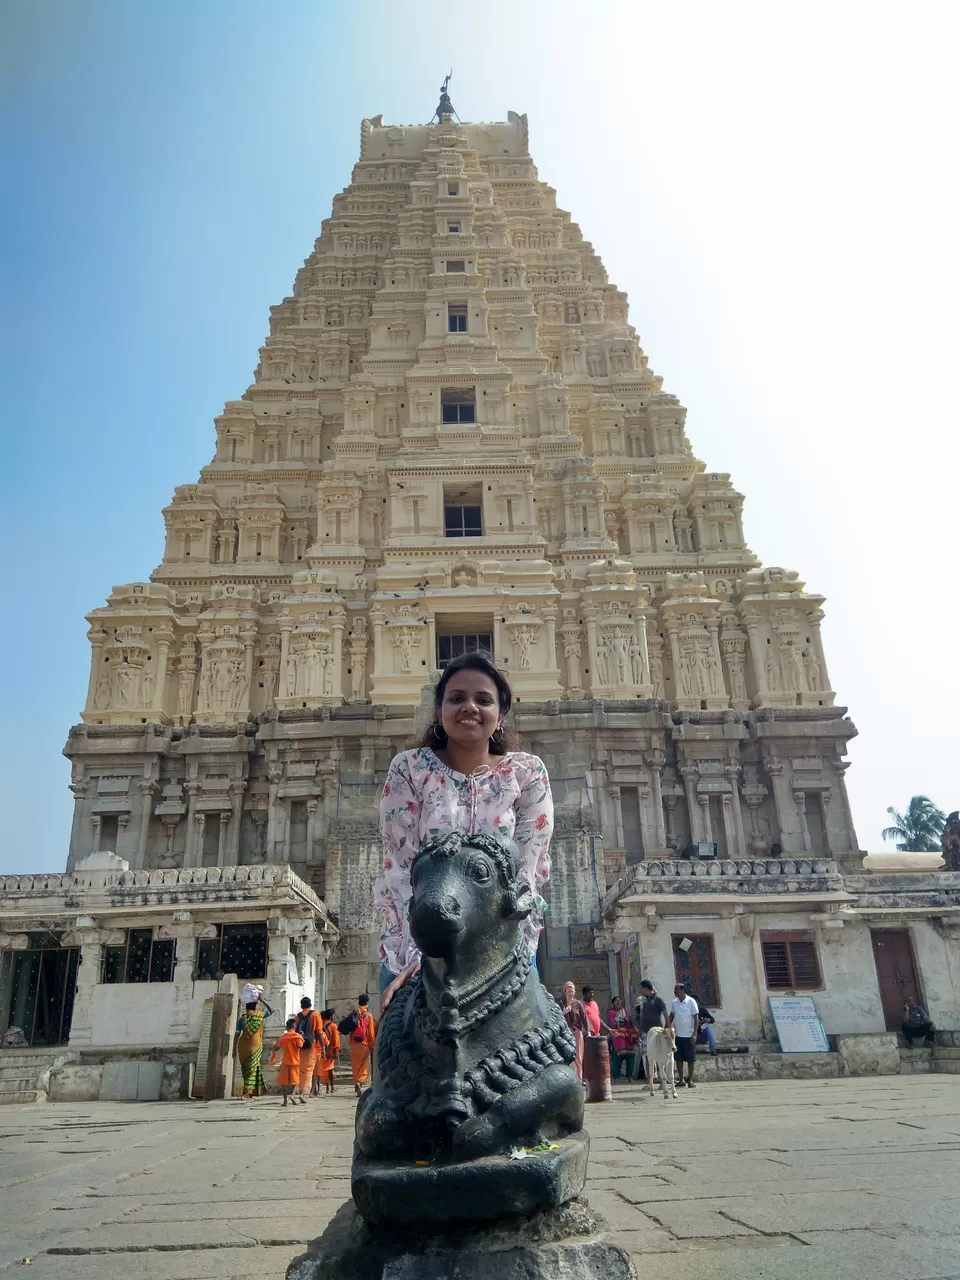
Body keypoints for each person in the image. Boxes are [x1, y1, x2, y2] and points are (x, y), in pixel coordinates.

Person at [375, 652, 554, 1011]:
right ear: (440, 710)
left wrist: (510, 954)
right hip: (414, 949)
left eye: (483, 700)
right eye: (456, 698)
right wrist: (417, 953)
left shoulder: (527, 774)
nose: (469, 707)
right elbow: (399, 867)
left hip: (504, 950)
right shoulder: (409, 769)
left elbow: (527, 875)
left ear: (500, 715)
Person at [234, 993, 273, 1098]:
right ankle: (247, 1092)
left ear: (246, 1008)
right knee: (253, 1068)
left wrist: (234, 1048)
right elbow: (271, 1011)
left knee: (246, 1069)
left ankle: (252, 1091)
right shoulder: (260, 1016)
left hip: (243, 1047)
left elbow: (237, 1034)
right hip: (256, 1046)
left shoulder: (242, 1019)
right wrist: (263, 1000)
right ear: (254, 1007)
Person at [632, 979, 668, 1082]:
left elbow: (665, 1015)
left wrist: (667, 1028)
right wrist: (640, 1030)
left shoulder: (658, 1000)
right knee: (647, 1055)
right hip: (645, 1032)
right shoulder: (644, 1000)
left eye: (641, 988)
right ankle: (650, 1079)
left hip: (656, 1032)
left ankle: (662, 1078)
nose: (640, 990)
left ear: (646, 988)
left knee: (659, 1055)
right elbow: (643, 1016)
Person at [669, 983, 700, 1088]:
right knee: (679, 1059)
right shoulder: (674, 1003)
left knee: (691, 1059)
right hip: (678, 1035)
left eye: (676, 989)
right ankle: (681, 1080)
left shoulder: (691, 1002)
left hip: (689, 1035)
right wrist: (666, 1028)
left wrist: (695, 1033)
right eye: (674, 990)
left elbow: (696, 1018)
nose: (675, 992)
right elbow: (671, 1016)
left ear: (682, 990)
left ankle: (690, 1080)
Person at [295, 997, 324, 1103]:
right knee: (308, 1069)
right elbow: (319, 1032)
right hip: (312, 1045)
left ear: (301, 1005)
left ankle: (299, 1089)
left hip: (300, 1045)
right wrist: (323, 1047)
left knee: (301, 1069)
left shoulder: (298, 1017)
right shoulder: (315, 1014)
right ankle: (302, 1091)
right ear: (310, 1004)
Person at [269, 1018, 304, 1107]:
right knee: (295, 1082)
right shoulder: (297, 1037)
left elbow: (276, 1048)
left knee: (284, 1082)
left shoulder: (283, 1037)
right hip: (295, 1062)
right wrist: (301, 1038)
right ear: (294, 1026)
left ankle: (285, 1102)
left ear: (287, 1027)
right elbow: (299, 1046)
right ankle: (292, 1096)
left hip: (285, 1061)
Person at [560, 980, 589, 1081]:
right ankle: (569, 1079)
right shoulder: (561, 1004)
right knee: (567, 1056)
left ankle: (579, 1079)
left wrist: (587, 1031)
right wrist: (563, 1012)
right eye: (568, 991)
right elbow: (555, 1017)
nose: (571, 993)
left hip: (576, 1032)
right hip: (565, 1033)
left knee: (578, 1056)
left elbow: (584, 1018)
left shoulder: (578, 1004)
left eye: (572, 991)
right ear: (565, 992)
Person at [349, 994, 377, 1096]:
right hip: (364, 1044)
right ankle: (360, 1082)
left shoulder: (354, 1012)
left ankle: (356, 1085)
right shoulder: (368, 1015)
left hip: (353, 1043)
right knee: (364, 1066)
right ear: (367, 1003)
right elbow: (371, 1033)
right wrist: (372, 1045)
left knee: (355, 1066)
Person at [607, 995, 638, 1080]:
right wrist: (622, 1021)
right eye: (616, 1000)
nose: (619, 1002)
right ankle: (616, 1076)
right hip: (617, 1037)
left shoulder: (624, 1011)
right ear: (613, 1003)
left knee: (630, 1057)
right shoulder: (611, 1013)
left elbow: (629, 1020)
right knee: (617, 1057)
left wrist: (622, 1020)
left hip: (628, 1037)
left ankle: (629, 1076)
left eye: (620, 1000)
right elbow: (613, 1024)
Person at [313, 1008, 340, 1095]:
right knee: (330, 1070)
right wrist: (336, 1050)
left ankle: (323, 1088)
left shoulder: (319, 1025)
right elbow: (336, 1040)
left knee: (320, 1070)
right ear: (331, 1017)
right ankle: (331, 1088)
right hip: (330, 1050)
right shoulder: (333, 1026)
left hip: (319, 1050)